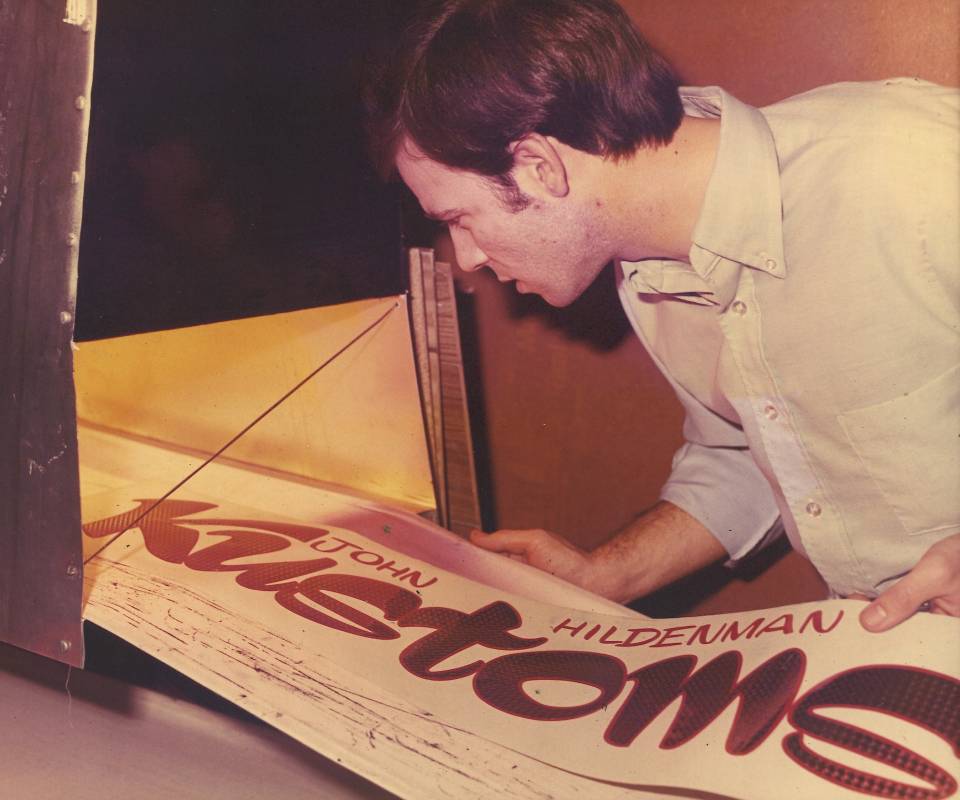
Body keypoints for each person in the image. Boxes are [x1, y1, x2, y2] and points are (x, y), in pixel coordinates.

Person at [363, 0, 960, 631]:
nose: (468, 257)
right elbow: (766, 453)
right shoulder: (645, 269)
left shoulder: (913, 169)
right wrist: (608, 575)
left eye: (458, 220)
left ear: (540, 167)